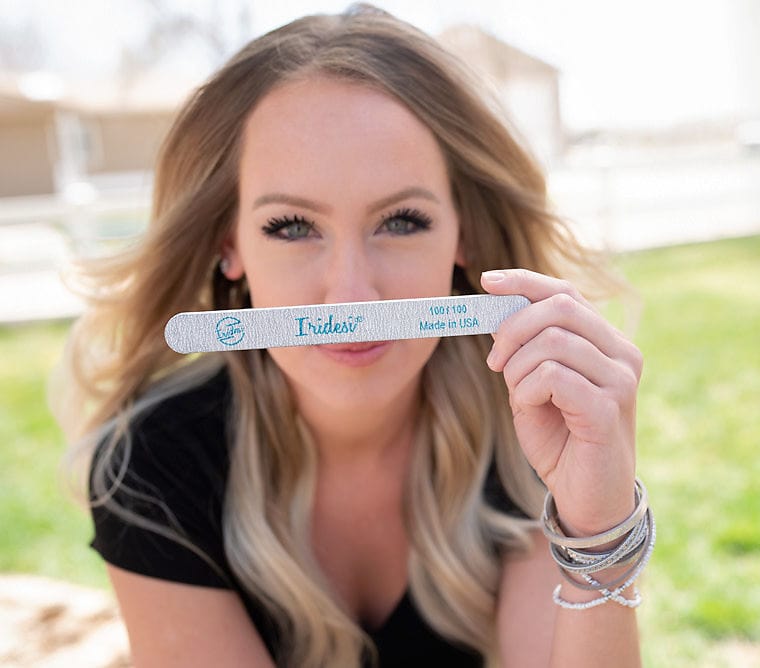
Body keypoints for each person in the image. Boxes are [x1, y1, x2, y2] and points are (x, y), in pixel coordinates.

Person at [56, 5, 650, 667]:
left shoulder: (533, 420)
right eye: (291, 226)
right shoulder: (155, 462)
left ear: (466, 233)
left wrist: (599, 531)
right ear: (231, 245)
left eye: (400, 220)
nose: (351, 294)